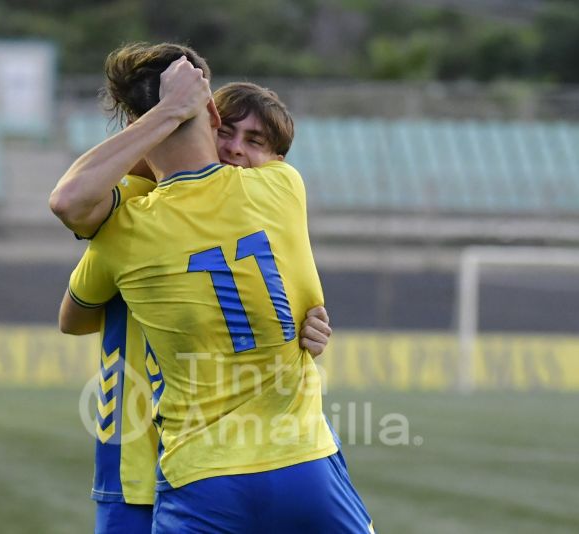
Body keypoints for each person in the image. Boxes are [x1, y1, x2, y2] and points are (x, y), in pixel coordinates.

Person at [58, 42, 372, 533]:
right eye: (226, 132)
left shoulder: (261, 201)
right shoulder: (127, 204)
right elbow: (71, 310)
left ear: (276, 158)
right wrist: (169, 115)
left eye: (256, 142)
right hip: (138, 460)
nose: (235, 150)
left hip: (211, 465)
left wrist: (310, 324)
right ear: (205, 119)